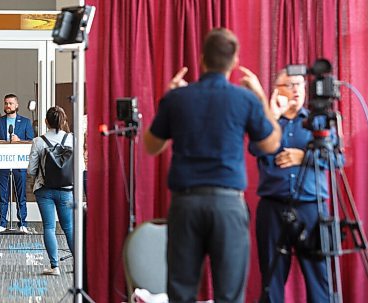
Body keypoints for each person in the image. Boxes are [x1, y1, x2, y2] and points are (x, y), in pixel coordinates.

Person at [143, 28, 281, 303]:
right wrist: (262, 98)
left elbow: (151, 146)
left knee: (181, 293)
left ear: (203, 58)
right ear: (234, 61)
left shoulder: (177, 99)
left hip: (186, 205)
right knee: (229, 295)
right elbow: (271, 145)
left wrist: (167, 99)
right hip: (228, 206)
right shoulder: (245, 100)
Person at [249, 69, 335, 302]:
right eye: (290, 85)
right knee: (271, 280)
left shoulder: (320, 120)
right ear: (278, 90)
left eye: (300, 84)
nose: (297, 90)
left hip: (312, 209)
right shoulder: (266, 121)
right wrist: (272, 118)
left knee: (319, 280)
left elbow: (337, 159)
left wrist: (304, 157)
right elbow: (255, 150)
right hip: (273, 208)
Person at [27, 106, 74, 276]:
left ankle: (54, 266)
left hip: (44, 189)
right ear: (64, 121)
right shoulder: (71, 140)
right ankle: (78, 265)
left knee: (49, 227)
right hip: (66, 190)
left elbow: (31, 171)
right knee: (68, 227)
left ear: (46, 122)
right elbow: (80, 167)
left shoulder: (38, 141)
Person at [0, 94, 34, 233]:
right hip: (2, 164)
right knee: (3, 195)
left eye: (11, 103)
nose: (8, 106)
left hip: (19, 163)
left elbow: (31, 141)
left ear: (17, 105)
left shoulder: (25, 122)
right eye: (6, 103)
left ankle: (23, 224)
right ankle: (2, 223)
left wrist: (19, 140)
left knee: (21, 195)